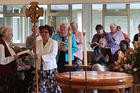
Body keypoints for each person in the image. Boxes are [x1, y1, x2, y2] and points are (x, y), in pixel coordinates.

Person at [35, 25, 60, 93]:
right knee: (41, 87)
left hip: (50, 68)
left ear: (50, 33)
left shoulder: (53, 42)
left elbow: (53, 54)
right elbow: (35, 52)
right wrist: (33, 54)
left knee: (51, 88)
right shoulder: (37, 42)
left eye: (46, 32)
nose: (43, 34)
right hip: (40, 67)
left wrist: (41, 57)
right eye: (42, 32)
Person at [0, 26, 25, 93]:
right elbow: (1, 60)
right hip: (4, 73)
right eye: (11, 34)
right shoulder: (1, 45)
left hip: (10, 72)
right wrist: (13, 57)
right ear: (6, 35)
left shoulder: (6, 43)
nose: (12, 36)